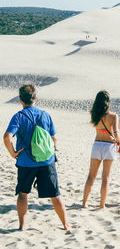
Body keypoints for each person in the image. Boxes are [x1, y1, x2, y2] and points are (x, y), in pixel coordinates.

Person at [3, 84, 70, 231]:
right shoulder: (45, 115)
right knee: (55, 195)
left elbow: (7, 137)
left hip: (26, 162)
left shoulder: (18, 117)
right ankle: (66, 225)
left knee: (22, 194)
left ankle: (23, 226)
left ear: (20, 99)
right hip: (47, 160)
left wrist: (13, 153)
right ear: (36, 98)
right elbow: (54, 139)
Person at [83, 90, 120, 209]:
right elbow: (115, 133)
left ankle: (84, 203)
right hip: (109, 146)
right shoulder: (113, 116)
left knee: (91, 176)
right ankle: (102, 205)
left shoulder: (94, 114)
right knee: (105, 178)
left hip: (97, 144)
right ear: (108, 102)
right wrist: (118, 141)